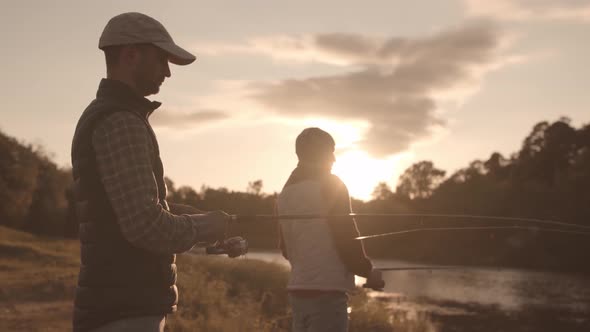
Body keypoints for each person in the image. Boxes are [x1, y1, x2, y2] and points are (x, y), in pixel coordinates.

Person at [70, 12, 239, 332]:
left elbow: (126, 210)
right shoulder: (120, 121)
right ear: (131, 55)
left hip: (120, 309)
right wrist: (205, 226)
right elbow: (145, 226)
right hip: (123, 313)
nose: (167, 72)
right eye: (162, 59)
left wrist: (203, 223)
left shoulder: (112, 116)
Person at [277, 127, 385, 332]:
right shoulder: (332, 185)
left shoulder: (284, 194)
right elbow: (346, 237)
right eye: (330, 151)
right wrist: (368, 271)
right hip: (328, 294)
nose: (334, 158)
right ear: (319, 154)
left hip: (298, 292)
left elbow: (285, 249)